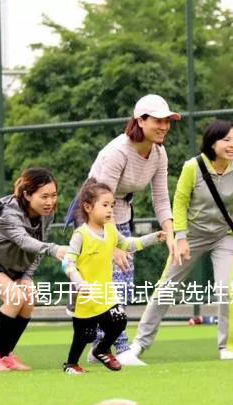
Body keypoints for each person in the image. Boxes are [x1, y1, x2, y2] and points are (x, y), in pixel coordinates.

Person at [130, 120, 233, 361]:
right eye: (226, 140)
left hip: (224, 235)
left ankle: (228, 347)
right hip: (192, 235)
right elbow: (180, 201)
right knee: (166, 287)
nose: (232, 144)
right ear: (212, 143)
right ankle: (139, 345)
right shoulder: (192, 167)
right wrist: (180, 237)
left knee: (224, 288)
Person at [74, 94, 181, 366]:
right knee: (113, 285)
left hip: (120, 214)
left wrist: (171, 234)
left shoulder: (158, 153)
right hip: (93, 213)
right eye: (158, 120)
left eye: (167, 121)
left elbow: (161, 198)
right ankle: (118, 349)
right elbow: (100, 199)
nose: (164, 126)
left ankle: (100, 346)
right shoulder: (118, 152)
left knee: (123, 286)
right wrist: (109, 246)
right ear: (140, 120)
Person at [0, 167, 67, 372]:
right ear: (27, 194)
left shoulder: (46, 214)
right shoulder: (8, 211)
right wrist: (55, 249)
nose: (50, 202)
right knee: (15, 296)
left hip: (7, 262)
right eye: (44, 196)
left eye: (53, 195)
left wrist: (27, 276)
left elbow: (38, 245)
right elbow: (23, 240)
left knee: (29, 298)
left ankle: (5, 355)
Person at [62, 181, 165, 374]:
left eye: (112, 205)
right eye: (105, 205)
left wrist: (152, 238)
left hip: (106, 293)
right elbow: (67, 262)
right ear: (88, 207)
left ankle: (102, 349)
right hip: (84, 296)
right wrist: (79, 283)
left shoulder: (110, 230)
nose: (110, 210)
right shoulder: (80, 235)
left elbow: (128, 244)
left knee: (119, 319)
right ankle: (71, 364)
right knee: (84, 334)